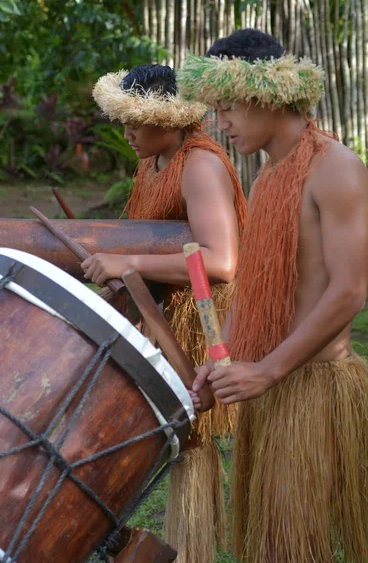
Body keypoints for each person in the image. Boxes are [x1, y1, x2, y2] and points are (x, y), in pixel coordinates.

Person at [181, 28, 368, 563]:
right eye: (217, 109)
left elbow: (351, 290)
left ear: (267, 94)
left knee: (291, 548)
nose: (222, 123)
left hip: (312, 385)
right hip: (271, 382)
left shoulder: (337, 169)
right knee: (268, 544)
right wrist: (226, 360)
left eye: (229, 107)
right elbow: (261, 281)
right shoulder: (268, 176)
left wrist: (269, 370)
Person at [82, 64, 247, 563]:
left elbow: (221, 261)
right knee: (174, 437)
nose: (127, 132)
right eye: (124, 119)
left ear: (172, 119)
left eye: (138, 120)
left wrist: (127, 260)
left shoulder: (200, 165)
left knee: (192, 438)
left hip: (204, 322)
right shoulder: (153, 160)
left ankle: (194, 548)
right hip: (164, 312)